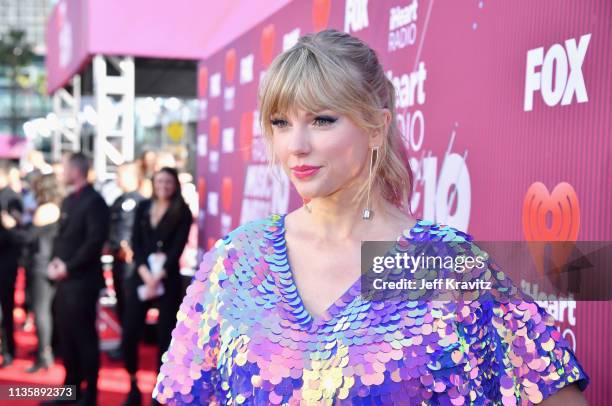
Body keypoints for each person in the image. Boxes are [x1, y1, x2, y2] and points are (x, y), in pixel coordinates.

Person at [153, 30, 590, 405]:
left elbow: (552, 389)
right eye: (281, 122)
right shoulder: (238, 261)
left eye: (322, 120)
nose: (296, 145)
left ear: (376, 128)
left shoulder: (437, 263)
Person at [121, 167, 192, 406]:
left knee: (165, 336)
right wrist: (145, 273)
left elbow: (177, 248)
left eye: (168, 182)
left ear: (175, 185)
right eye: (160, 181)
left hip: (167, 278)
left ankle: (159, 389)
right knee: (129, 333)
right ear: (153, 183)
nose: (163, 186)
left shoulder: (182, 211)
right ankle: (132, 384)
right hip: (141, 276)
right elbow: (135, 243)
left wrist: (158, 276)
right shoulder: (142, 207)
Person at [46, 152, 109, 406]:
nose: (62, 173)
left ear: (76, 170)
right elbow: (62, 237)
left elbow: (94, 242)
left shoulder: (95, 202)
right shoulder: (69, 200)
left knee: (85, 337)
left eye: (64, 168)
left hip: (83, 281)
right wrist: (55, 262)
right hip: (65, 280)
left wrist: (68, 267)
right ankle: (70, 389)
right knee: (66, 335)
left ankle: (90, 394)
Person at [13, 173, 62, 373]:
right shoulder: (57, 207)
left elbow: (27, 237)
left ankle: (44, 354)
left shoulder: (44, 210)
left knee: (41, 311)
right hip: (49, 263)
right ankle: (48, 349)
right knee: (47, 310)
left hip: (40, 265)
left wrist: (12, 225)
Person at [107, 162, 145, 328]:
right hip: (117, 258)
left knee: (130, 301)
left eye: (120, 175)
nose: (117, 179)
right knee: (120, 299)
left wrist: (128, 247)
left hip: (131, 260)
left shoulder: (142, 202)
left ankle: (130, 340)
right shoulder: (118, 200)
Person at [0, 162, 23, 368]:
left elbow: (17, 231)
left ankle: (8, 350)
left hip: (6, 261)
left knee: (5, 308)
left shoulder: (11, 197)